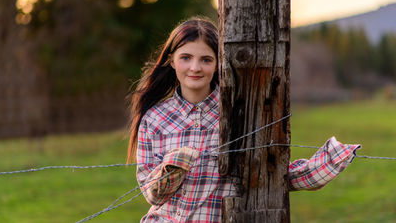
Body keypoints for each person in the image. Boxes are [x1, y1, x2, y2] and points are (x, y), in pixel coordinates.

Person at [127, 16, 361, 222]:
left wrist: (324, 165)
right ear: (171, 61)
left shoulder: (240, 113)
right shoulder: (155, 119)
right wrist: (175, 165)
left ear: (219, 63)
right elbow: (152, 194)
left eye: (206, 59)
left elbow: (267, 173)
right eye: (186, 57)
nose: (195, 67)